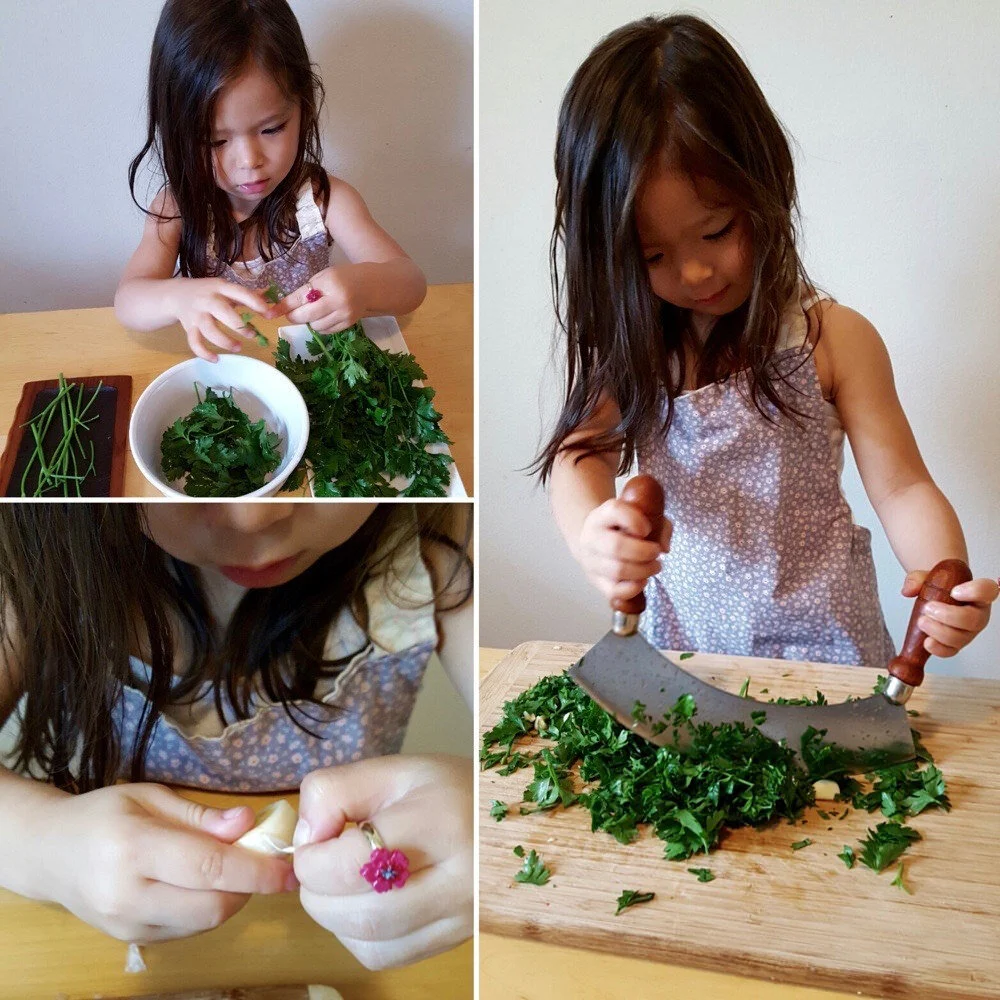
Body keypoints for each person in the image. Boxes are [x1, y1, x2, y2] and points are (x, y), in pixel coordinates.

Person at [537, 15, 996, 666]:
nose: (695, 273)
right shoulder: (634, 351)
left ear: (765, 182)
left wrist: (943, 580)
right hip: (689, 652)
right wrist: (593, 533)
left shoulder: (832, 339)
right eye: (652, 255)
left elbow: (902, 488)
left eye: (717, 231)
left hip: (831, 650)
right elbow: (579, 452)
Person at [0, 502, 472, 970]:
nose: (253, 518)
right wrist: (42, 844)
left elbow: (520, 748)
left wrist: (482, 816)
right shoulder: (38, 545)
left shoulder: (441, 525)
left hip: (344, 944)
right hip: (99, 943)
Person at [115, 0, 426, 362]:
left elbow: (411, 283)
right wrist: (177, 296)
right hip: (225, 368)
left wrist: (362, 286)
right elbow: (128, 301)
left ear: (303, 106)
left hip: (305, 365)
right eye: (214, 141)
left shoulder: (324, 200)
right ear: (176, 132)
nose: (250, 161)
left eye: (272, 128)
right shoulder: (176, 207)